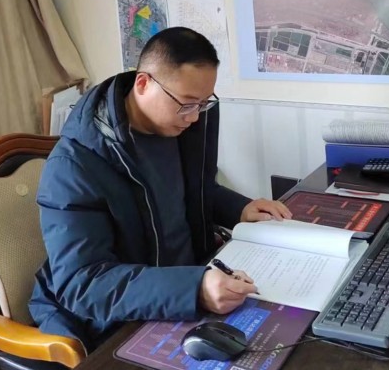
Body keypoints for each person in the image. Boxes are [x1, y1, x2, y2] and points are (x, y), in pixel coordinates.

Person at [29, 27, 292, 350]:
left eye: (203, 104)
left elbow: (190, 193)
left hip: (188, 282)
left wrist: (239, 209)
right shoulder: (74, 166)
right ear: (143, 84)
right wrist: (193, 289)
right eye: (187, 104)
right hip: (120, 317)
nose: (194, 117)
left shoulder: (178, 128)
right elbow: (83, 285)